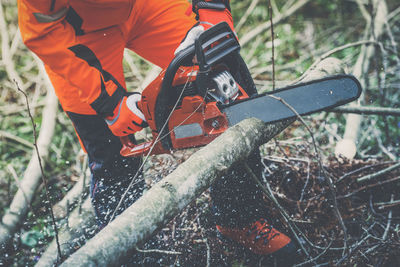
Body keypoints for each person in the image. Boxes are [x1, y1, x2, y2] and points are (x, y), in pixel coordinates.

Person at [18, 0, 296, 258]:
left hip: (145, 5)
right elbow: (43, 28)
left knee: (228, 80)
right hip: (72, 32)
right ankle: (133, 254)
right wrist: (109, 101)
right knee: (112, 154)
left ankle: (239, 219)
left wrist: (211, 13)